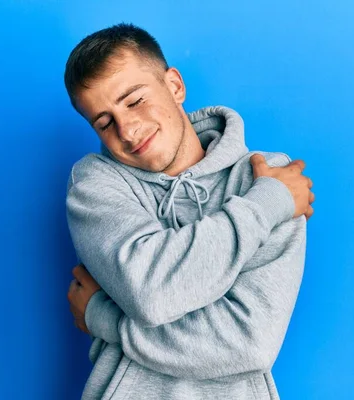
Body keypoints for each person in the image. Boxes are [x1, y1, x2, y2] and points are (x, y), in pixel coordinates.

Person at [64, 22, 315, 400]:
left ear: (175, 86)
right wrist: (263, 210)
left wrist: (107, 318)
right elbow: (152, 293)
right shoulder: (96, 183)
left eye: (135, 100)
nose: (128, 132)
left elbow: (249, 343)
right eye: (104, 122)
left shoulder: (265, 177)